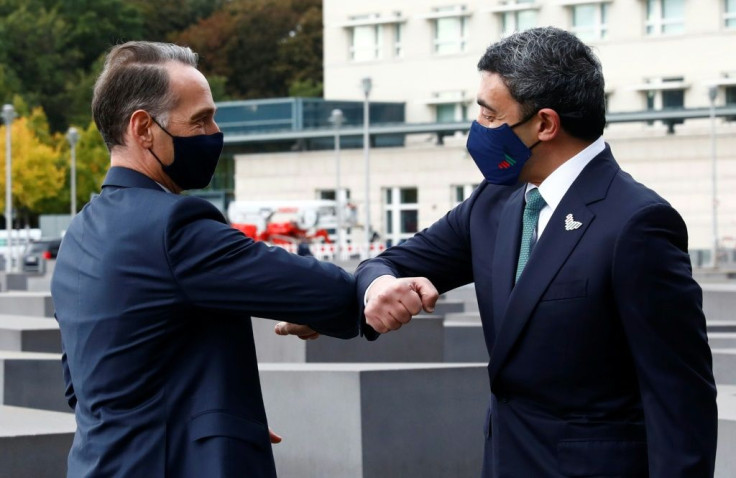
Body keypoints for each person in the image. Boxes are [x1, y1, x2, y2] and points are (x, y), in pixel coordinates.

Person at [281, 27, 718, 476]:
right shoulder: (495, 201)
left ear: (545, 124)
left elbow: (680, 396)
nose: (477, 130)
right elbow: (393, 262)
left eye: (489, 116)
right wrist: (370, 290)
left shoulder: (637, 223)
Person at [50, 41, 359, 478]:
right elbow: (327, 291)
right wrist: (352, 295)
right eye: (200, 120)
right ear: (143, 129)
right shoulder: (173, 224)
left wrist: (218, 420)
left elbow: (85, 387)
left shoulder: (78, 235)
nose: (215, 132)